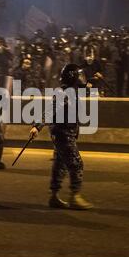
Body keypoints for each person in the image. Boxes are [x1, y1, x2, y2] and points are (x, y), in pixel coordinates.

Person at [29, 64, 93, 211]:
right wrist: (37, 126)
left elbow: (86, 92)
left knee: (60, 164)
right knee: (76, 164)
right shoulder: (63, 94)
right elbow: (50, 110)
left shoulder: (72, 91)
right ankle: (75, 196)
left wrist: (93, 81)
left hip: (63, 133)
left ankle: (54, 196)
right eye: (79, 76)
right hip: (63, 134)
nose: (81, 79)